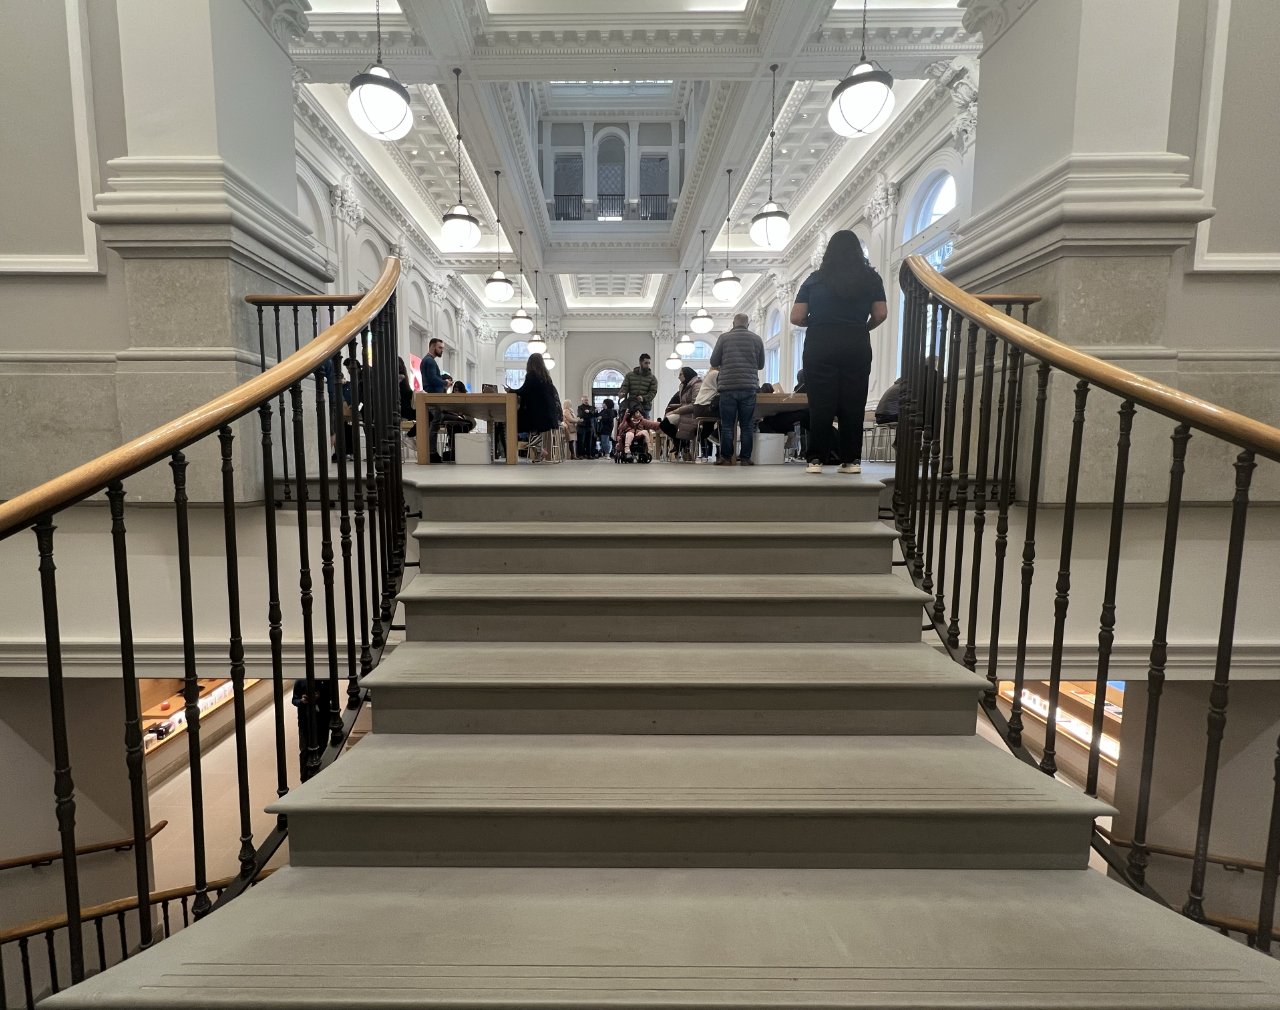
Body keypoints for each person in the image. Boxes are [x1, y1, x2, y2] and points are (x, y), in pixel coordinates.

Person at [791, 230, 888, 475]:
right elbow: (880, 314)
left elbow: (797, 316)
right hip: (855, 342)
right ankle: (852, 460)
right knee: (853, 402)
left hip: (820, 343)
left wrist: (817, 322)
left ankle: (815, 460)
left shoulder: (815, 279)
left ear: (829, 253)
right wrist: (862, 326)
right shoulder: (871, 279)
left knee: (820, 403)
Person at [709, 313, 765, 466]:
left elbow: (713, 361)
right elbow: (760, 365)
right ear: (748, 324)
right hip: (749, 387)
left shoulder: (724, 338)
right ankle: (746, 458)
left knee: (727, 425)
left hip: (728, 387)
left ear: (733, 324)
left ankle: (726, 458)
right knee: (747, 425)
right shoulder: (757, 339)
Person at [506, 353, 560, 463]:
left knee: (529, 429)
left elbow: (524, 391)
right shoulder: (546, 376)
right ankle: (540, 452)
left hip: (535, 412)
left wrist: (511, 391)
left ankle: (540, 451)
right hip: (548, 411)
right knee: (536, 431)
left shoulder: (531, 375)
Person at [660, 366, 702, 461]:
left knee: (665, 424)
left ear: (687, 374)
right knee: (664, 424)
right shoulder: (684, 386)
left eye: (680, 374)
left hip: (692, 415)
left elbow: (694, 405)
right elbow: (684, 403)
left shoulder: (696, 385)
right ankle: (681, 443)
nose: (679, 377)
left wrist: (676, 411)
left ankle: (680, 443)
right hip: (684, 413)